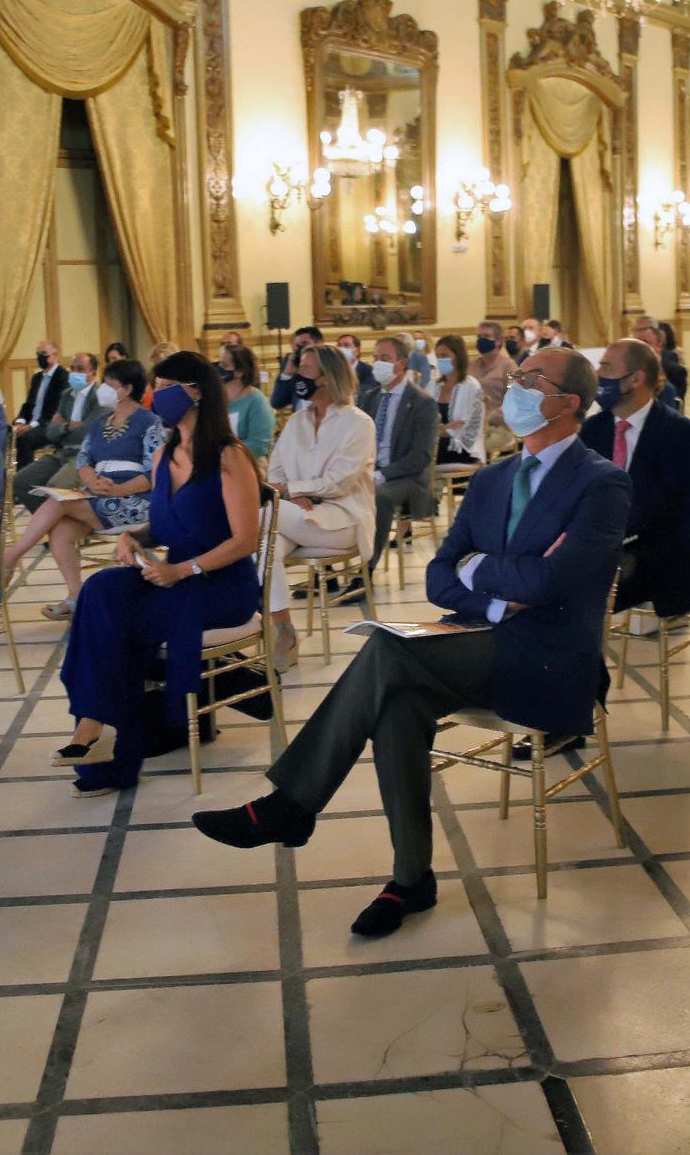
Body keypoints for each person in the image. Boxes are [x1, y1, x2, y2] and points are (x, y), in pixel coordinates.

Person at [192, 346, 631, 938]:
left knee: (388, 650)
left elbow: (553, 583)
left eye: (533, 379)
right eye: (519, 375)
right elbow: (440, 575)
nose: (518, 386)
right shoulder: (495, 476)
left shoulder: (602, 484)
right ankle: (411, 879)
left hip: (549, 658)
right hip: (478, 639)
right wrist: (502, 583)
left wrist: (485, 570)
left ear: (568, 402)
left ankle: (292, 805)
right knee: (398, 703)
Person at [52, 352, 264, 796]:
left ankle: (121, 743)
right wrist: (137, 539)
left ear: (196, 392)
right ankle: (92, 718)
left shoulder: (230, 457)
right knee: (101, 589)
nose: (156, 395)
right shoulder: (165, 454)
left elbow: (246, 540)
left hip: (221, 583)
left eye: (165, 387)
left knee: (125, 622)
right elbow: (163, 523)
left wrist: (182, 570)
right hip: (174, 572)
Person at [5, 359, 163, 621]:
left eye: (108, 384)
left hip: (135, 501)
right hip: (98, 495)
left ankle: (12, 556)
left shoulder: (150, 422)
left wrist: (119, 488)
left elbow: (154, 473)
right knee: (60, 529)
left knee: (59, 502)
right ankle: (76, 597)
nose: (102, 389)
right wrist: (91, 481)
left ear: (126, 389)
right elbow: (83, 460)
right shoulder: (101, 422)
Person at [583, 339, 690, 640]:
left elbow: (670, 509)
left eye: (606, 367)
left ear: (636, 378)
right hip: (609, 540)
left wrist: (607, 534)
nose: (598, 375)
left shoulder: (679, 433)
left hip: (656, 549)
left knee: (569, 581)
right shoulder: (594, 429)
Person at [263, 343, 376, 669]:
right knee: (263, 547)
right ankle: (284, 629)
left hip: (342, 518)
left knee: (258, 516)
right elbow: (276, 469)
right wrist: (290, 494)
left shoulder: (358, 423)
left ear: (329, 376)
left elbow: (339, 481)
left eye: (307, 370)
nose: (299, 375)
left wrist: (288, 490)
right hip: (294, 516)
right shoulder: (298, 421)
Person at [360, 336, 438, 567]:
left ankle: (366, 570)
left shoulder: (422, 402)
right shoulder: (369, 398)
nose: (378, 363)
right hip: (370, 470)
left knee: (379, 496)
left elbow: (420, 456)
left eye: (385, 358)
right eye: (375, 358)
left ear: (402, 364)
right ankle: (327, 569)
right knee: (332, 491)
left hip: (407, 478)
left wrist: (382, 474)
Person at [14, 351, 99, 506]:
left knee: (55, 488)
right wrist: (68, 426)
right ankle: (49, 523)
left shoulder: (100, 396)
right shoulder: (66, 395)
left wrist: (62, 426)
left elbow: (89, 431)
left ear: (92, 372)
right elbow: (50, 433)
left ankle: (56, 522)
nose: (74, 373)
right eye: (72, 369)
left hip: (85, 455)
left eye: (80, 369)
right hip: (62, 452)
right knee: (20, 482)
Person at [13, 340, 67, 466]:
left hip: (48, 424)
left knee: (24, 439)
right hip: (32, 422)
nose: (40, 357)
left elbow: (56, 409)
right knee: (9, 433)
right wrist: (20, 422)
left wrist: (30, 426)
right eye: (38, 354)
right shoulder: (37, 378)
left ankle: (25, 478)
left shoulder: (62, 377)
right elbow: (28, 405)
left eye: (43, 353)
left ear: (55, 355)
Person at [433, 335, 483, 464]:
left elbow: (464, 425)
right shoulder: (435, 386)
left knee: (426, 450)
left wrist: (439, 430)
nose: (440, 360)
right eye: (438, 356)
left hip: (462, 446)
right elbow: (424, 419)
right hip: (437, 440)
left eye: (444, 356)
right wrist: (439, 430)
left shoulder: (471, 386)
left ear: (458, 357)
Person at [220, 343, 274, 462]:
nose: (219, 370)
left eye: (224, 365)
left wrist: (224, 453)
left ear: (240, 372)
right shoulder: (218, 399)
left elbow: (259, 446)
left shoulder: (257, 402)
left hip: (250, 464)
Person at [631, 315, 685, 408]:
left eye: (646, 342)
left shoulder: (676, 372)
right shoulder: (626, 369)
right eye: (637, 343)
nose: (640, 347)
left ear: (658, 345)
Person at [270, 326, 323, 410]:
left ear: (319, 343)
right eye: (297, 346)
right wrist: (287, 375)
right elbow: (277, 403)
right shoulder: (294, 367)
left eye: (305, 343)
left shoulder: (332, 368)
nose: (301, 349)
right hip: (300, 420)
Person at [472, 321, 511, 427]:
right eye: (479, 336)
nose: (481, 340)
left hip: (498, 427)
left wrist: (496, 414)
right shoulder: (471, 365)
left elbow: (516, 397)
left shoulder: (510, 366)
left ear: (499, 341)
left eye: (487, 336)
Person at [333, 332, 376, 398]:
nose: (341, 349)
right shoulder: (331, 370)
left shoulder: (369, 371)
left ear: (357, 351)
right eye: (339, 345)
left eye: (346, 345)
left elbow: (365, 393)